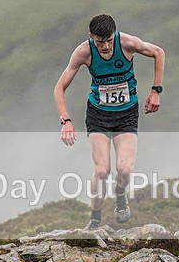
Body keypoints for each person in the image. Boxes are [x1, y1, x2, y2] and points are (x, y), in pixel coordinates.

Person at [54, 14, 165, 230]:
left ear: (115, 34)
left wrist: (155, 91)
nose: (105, 46)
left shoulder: (127, 43)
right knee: (102, 170)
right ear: (91, 37)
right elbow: (59, 88)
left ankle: (120, 194)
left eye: (109, 40)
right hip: (98, 115)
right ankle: (95, 219)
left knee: (124, 170)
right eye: (100, 42)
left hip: (127, 114)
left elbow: (158, 53)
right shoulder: (83, 52)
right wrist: (65, 120)